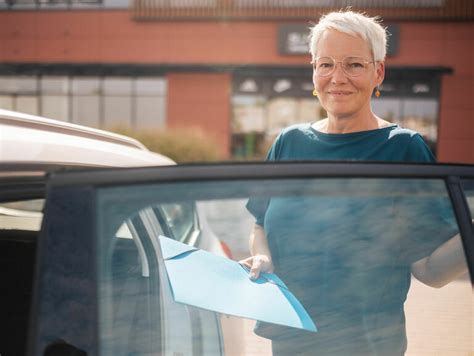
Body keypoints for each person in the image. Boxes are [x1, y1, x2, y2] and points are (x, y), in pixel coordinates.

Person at [240, 10, 468, 356]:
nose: (337, 78)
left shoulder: (403, 148)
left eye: (354, 65)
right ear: (313, 69)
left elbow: (431, 270)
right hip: (289, 340)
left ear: (378, 72)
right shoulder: (288, 142)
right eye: (326, 64)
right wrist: (263, 258)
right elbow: (260, 223)